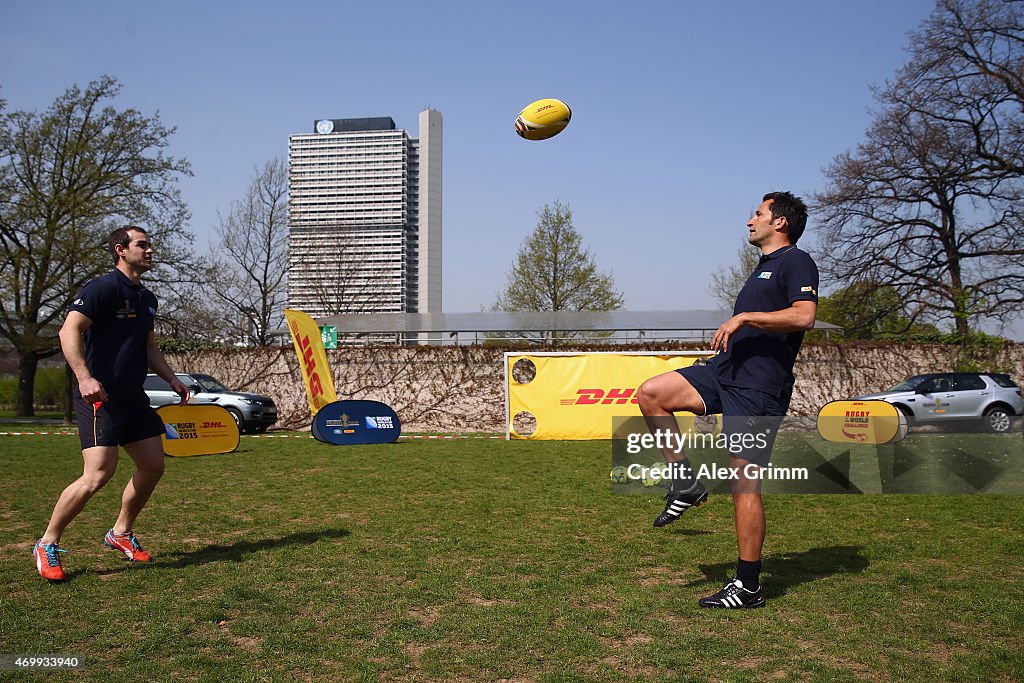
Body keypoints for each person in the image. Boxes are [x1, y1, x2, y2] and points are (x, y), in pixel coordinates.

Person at [637, 192, 818, 609]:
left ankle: (748, 586)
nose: (749, 220)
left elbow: (804, 315)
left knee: (743, 485)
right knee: (651, 394)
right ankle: (685, 481)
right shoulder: (764, 268)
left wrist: (743, 317)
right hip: (725, 372)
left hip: (758, 389)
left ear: (781, 223)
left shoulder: (796, 261)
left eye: (758, 213)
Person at [32, 226, 188, 581]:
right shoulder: (101, 288)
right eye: (142, 245)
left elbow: (149, 347)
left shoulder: (148, 298)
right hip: (99, 396)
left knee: (152, 466)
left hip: (134, 397)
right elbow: (68, 331)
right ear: (121, 249)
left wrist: (172, 379)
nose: (150, 250)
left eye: (150, 244)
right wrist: (84, 378)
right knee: (98, 474)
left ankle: (120, 533)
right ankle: (47, 543)